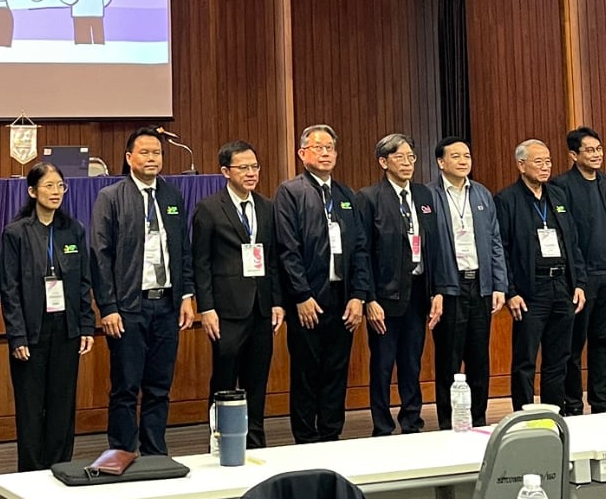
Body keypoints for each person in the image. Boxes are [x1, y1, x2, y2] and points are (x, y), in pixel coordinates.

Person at [90, 129, 194, 455]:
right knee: (125, 387)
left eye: (157, 153)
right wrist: (108, 307)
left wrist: (186, 295)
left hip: (166, 304)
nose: (152, 158)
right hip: (128, 307)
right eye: (145, 152)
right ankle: (121, 453)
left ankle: (154, 452)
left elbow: (183, 249)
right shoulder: (111, 197)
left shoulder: (172, 196)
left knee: (159, 386)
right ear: (129, 157)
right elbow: (100, 255)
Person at [272, 125, 368, 444]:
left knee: (336, 370)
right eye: (318, 147)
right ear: (302, 153)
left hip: (342, 297)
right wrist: (301, 295)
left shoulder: (345, 195)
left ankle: (330, 433)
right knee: (306, 371)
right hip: (308, 299)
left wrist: (358, 296)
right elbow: (287, 249)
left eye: (330, 148)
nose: (325, 153)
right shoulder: (290, 192)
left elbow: (360, 249)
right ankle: (306, 437)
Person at [1, 162, 94, 471]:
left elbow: (83, 282)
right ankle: (30, 474)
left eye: (60, 186)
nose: (56, 192)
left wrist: (86, 326)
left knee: (62, 404)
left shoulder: (73, 229)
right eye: (49, 186)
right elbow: (10, 288)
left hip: (66, 328)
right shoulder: (16, 233)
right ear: (32, 191)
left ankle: (60, 468)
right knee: (30, 407)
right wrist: (17, 335)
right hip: (31, 330)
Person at [190, 141, 282, 449]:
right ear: (225, 171)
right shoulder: (209, 208)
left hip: (261, 307)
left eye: (254, 166)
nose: (251, 173)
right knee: (224, 380)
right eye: (243, 167)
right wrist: (206, 308)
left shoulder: (266, 207)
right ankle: (220, 442)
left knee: (257, 381)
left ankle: (255, 443)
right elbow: (200, 262)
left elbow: (272, 259)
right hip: (226, 310)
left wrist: (277, 301)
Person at [357, 134, 450, 436]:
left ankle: (412, 421)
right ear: (383, 162)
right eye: (400, 157)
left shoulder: (423, 195)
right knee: (383, 364)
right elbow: (363, 251)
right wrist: (369, 298)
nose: (408, 163)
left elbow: (434, 246)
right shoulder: (369, 197)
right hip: (385, 296)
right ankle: (382, 425)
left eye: (411, 157)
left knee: (412, 361)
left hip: (418, 290)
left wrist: (437, 291)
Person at [493, 138, 584, 411]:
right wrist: (511, 291)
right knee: (526, 360)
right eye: (538, 162)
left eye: (548, 161)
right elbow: (502, 249)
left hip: (562, 285)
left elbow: (572, 242)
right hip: (531, 290)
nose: (546, 167)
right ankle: (523, 414)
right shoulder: (507, 199)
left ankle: (554, 412)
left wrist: (579, 283)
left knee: (559, 358)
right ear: (521, 165)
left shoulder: (558, 196)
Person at [431, 137, 507, 429]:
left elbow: (495, 241)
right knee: (448, 358)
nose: (463, 161)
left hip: (480, 285)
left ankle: (478, 418)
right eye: (456, 156)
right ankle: (447, 421)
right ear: (441, 162)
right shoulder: (430, 196)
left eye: (467, 155)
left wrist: (499, 284)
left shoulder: (482, 194)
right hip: (450, 286)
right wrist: (435, 288)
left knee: (479, 358)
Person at [548, 127, 606, 414]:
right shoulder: (561, 185)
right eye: (589, 150)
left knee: (602, 341)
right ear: (573, 155)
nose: (596, 154)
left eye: (598, 149)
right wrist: (576, 276)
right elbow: (567, 234)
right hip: (580, 278)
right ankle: (574, 402)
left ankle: (600, 400)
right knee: (574, 344)